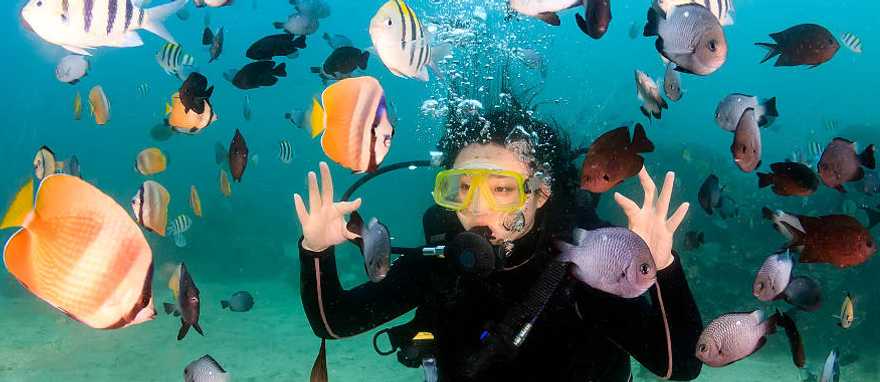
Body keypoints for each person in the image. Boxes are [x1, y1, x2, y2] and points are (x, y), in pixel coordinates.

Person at [293, 97, 703, 381]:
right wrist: (315, 250)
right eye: (461, 187)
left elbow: (681, 363)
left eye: (502, 188)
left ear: (540, 194)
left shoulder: (585, 268)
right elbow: (336, 322)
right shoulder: (441, 262)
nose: (478, 208)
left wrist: (663, 265)